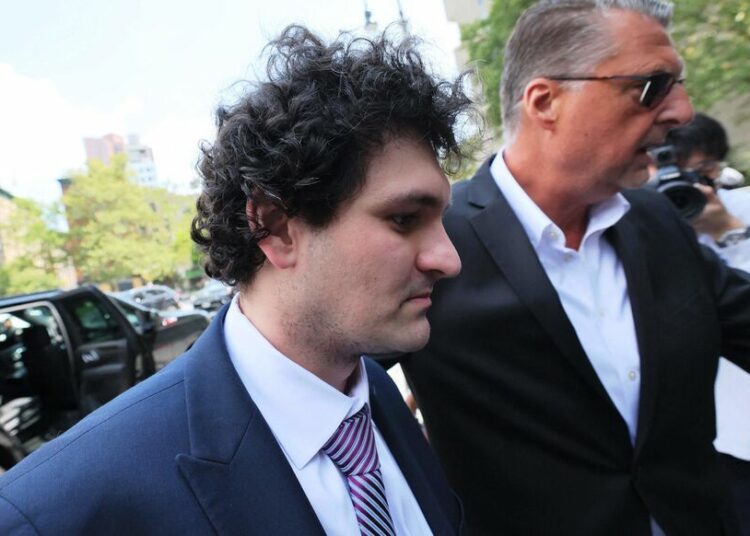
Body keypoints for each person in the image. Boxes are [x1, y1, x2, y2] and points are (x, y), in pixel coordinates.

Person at [0, 26, 471, 535]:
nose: (448, 259)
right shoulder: (63, 508)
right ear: (274, 226)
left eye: (440, 219)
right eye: (404, 219)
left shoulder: (371, 396)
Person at [397, 1, 750, 534]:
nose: (681, 111)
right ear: (546, 102)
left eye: (679, 85)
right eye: (652, 87)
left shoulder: (657, 218)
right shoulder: (437, 240)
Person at [666, 113, 750, 535]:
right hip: (716, 446)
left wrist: (729, 232)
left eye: (704, 173)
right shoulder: (644, 230)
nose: (693, 188)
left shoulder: (743, 208)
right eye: (678, 175)